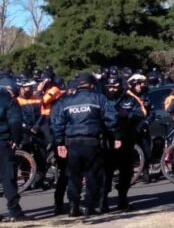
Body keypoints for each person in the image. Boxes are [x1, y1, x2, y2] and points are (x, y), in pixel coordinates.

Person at [51, 73, 118, 217]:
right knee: (92, 175)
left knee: (73, 176)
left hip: (72, 143)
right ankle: (89, 206)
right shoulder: (98, 98)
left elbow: (58, 124)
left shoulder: (66, 101)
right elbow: (112, 118)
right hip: (92, 142)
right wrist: (112, 134)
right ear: (92, 85)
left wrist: (59, 143)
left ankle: (73, 207)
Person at [99, 76, 136, 212]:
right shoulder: (102, 99)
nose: (112, 89)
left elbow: (140, 113)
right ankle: (103, 202)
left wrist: (127, 115)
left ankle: (123, 200)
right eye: (109, 86)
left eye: (114, 86)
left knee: (126, 173)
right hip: (108, 142)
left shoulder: (129, 98)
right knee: (106, 173)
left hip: (126, 141)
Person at [37, 72, 66, 214]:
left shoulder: (53, 90)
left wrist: (38, 90)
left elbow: (42, 101)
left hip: (50, 120)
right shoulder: (45, 89)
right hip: (43, 119)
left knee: (51, 147)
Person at [0, 79, 28, 222]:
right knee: (8, 178)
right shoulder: (6, 98)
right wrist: (16, 139)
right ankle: (15, 211)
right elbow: (15, 121)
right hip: (3, 141)